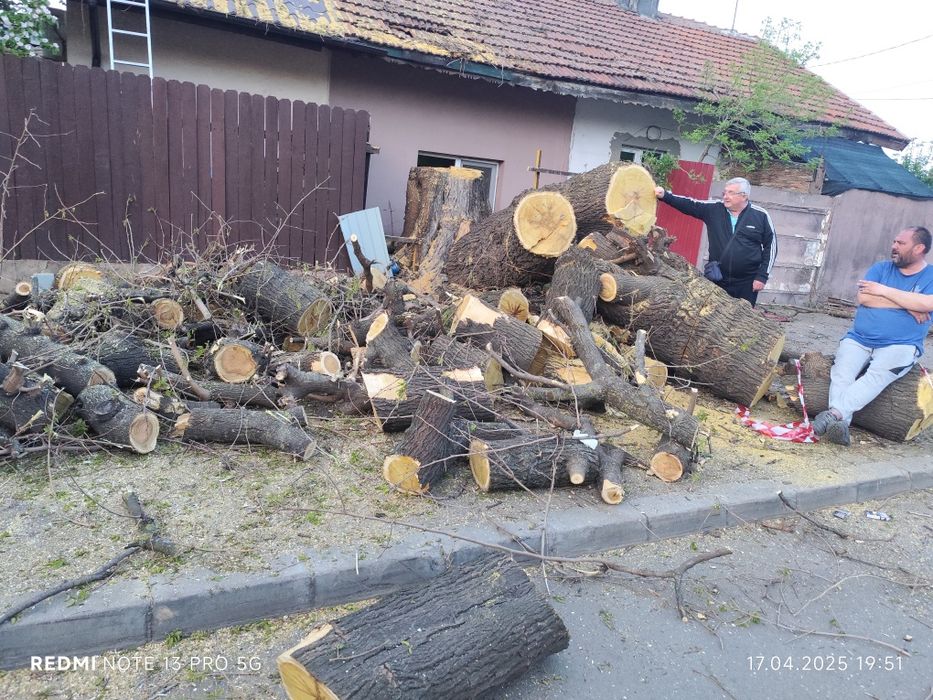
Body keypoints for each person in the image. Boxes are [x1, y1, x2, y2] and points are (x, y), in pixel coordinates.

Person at [812, 226, 933, 446]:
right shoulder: (881, 268)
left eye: (901, 243)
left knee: (876, 377)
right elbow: (865, 298)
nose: (894, 246)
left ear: (919, 248)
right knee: (842, 373)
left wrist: (883, 291)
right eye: (894, 241)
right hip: (859, 338)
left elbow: (928, 303)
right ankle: (840, 425)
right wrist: (910, 303)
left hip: (901, 345)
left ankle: (834, 414)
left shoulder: (930, 276)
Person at [654, 177, 776, 306]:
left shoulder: (760, 215)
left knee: (742, 316)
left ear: (744, 196)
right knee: (714, 314)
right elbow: (690, 204)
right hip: (718, 278)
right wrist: (665, 196)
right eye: (725, 192)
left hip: (747, 282)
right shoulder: (714, 209)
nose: (725, 196)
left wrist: (762, 276)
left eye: (731, 193)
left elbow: (771, 246)